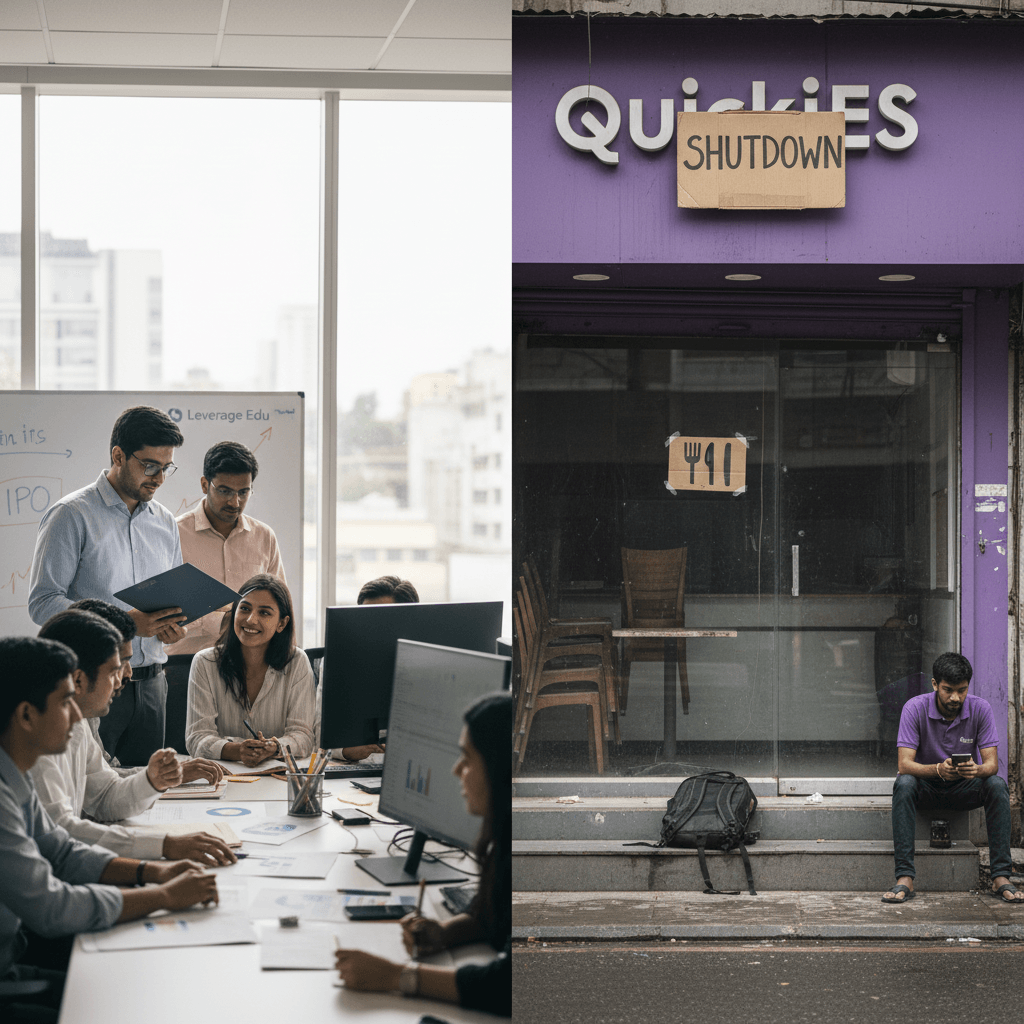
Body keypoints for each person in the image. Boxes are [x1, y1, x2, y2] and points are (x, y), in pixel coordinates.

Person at [0, 636, 218, 1023]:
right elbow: (51, 907)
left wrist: (152, 872)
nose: (77, 716)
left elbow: (62, 851)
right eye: (65, 702)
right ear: (26, 716)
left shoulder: (12, 775)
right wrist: (162, 895)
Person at [27, 405, 189, 767]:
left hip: (153, 684)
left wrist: (171, 625)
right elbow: (42, 602)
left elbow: (172, 595)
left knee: (149, 794)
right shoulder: (71, 515)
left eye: (166, 468)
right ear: (118, 455)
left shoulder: (164, 522)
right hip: (94, 686)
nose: (160, 478)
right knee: (92, 795)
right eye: (150, 466)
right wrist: (124, 623)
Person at [334, 691, 512, 1017]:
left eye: (468, 759)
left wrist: (396, 977)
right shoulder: (504, 839)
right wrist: (445, 932)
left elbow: (507, 986)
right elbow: (496, 915)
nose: (457, 770)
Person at [31, 610, 237, 868]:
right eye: (115, 669)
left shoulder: (78, 723)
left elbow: (105, 795)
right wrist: (163, 847)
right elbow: (58, 833)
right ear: (79, 679)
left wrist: (151, 780)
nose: (124, 678)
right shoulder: (37, 738)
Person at [882, 651, 1024, 905]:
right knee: (903, 783)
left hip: (962, 789)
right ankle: (905, 877)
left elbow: (991, 765)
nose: (955, 697)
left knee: (996, 784)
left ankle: (1000, 876)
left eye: (962, 690)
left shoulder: (980, 709)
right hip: (926, 788)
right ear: (935, 684)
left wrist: (976, 770)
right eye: (948, 690)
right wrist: (938, 769)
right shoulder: (914, 708)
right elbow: (904, 765)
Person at [68, 598, 225, 785]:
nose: (129, 673)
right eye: (118, 666)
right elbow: (97, 787)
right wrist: (168, 774)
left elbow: (103, 776)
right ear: (78, 678)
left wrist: (167, 773)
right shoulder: (62, 727)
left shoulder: (86, 716)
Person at [168, 440, 286, 657]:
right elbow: (164, 611)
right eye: (224, 491)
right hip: (184, 665)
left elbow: (279, 605)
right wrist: (221, 620)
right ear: (205, 485)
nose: (235, 502)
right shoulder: (173, 534)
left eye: (244, 492)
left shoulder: (264, 537)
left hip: (248, 664)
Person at [185, 574, 316, 764]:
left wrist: (274, 747)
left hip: (276, 778)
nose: (251, 620)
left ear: (282, 623)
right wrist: (237, 751)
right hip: (223, 777)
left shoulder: (297, 662)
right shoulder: (205, 662)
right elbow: (196, 738)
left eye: (264, 613)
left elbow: (303, 737)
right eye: (244, 608)